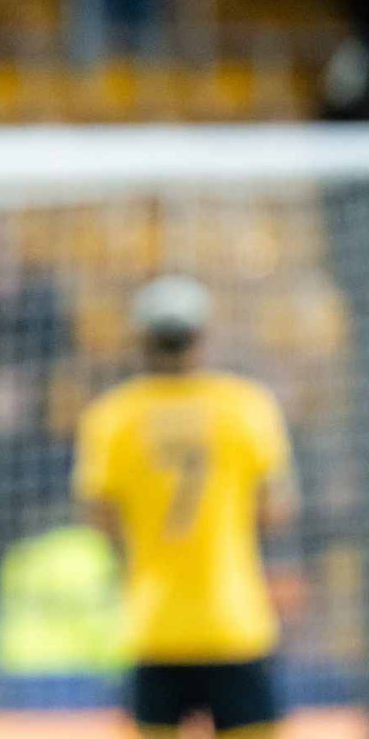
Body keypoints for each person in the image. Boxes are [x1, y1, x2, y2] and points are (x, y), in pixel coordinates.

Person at [73, 275, 298, 739]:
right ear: (203, 336)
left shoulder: (112, 417)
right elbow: (277, 511)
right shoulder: (246, 406)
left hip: (153, 628)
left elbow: (100, 521)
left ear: (141, 339)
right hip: (234, 623)